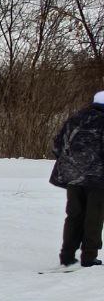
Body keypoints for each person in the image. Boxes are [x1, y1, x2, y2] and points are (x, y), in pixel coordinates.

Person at [51, 90, 104, 268]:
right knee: (94, 218)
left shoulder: (75, 118)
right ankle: (89, 257)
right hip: (98, 178)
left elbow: (57, 145)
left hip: (72, 176)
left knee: (74, 215)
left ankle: (66, 256)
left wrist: (72, 165)